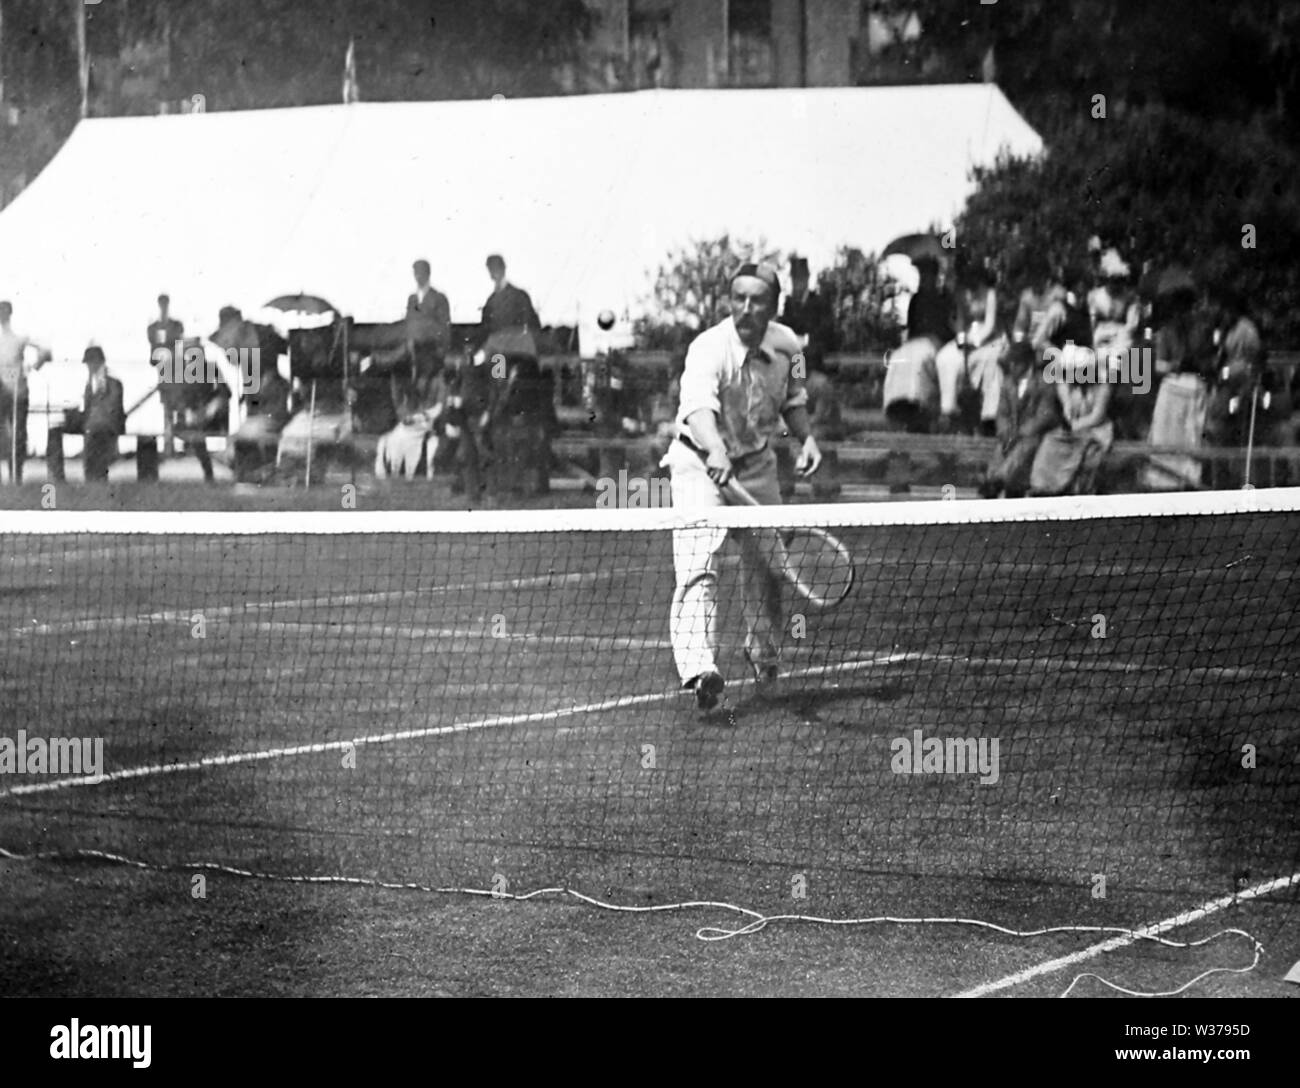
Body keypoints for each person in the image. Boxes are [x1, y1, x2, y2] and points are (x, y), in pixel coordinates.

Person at [659, 261, 821, 712]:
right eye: (738, 299)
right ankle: (700, 670)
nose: (746, 309)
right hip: (698, 463)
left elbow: (794, 399)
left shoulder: (789, 346)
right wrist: (715, 450)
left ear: (774, 306)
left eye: (758, 301)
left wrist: (806, 438)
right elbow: (697, 410)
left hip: (755, 465)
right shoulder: (707, 348)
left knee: (769, 566)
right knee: (698, 565)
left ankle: (764, 654)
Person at [476, 255, 549, 495]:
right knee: (499, 386)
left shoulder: (519, 296)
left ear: (503, 269)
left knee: (519, 401)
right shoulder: (491, 301)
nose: (493, 273)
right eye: (490, 270)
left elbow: (533, 324)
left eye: (496, 269)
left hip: (521, 359)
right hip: (500, 358)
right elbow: (485, 330)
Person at [1142, 270, 1215, 490]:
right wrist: (1176, 365)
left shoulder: (1202, 330)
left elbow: (1209, 362)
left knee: (1191, 439)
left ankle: (1189, 482)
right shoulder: (1166, 331)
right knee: (1166, 442)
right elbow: (1157, 366)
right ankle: (1164, 482)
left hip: (1194, 389)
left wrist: (1196, 364)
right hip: (1173, 388)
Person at [779, 256, 842, 497]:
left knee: (820, 411)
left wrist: (805, 342)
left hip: (816, 369)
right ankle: (783, 486)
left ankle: (825, 485)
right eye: (794, 278)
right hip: (796, 372)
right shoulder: (788, 306)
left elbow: (825, 337)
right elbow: (784, 339)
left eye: (801, 278)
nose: (798, 283)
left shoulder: (819, 304)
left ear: (807, 278)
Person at [980, 340, 1063, 498]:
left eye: (1015, 363)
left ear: (1027, 363)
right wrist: (1005, 431)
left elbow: (1045, 414)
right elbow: (1002, 413)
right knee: (1002, 447)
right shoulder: (1008, 382)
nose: (1011, 367)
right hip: (1013, 433)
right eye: (1010, 363)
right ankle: (991, 479)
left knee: (1024, 447)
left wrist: (1022, 432)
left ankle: (998, 480)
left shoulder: (1044, 382)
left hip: (1036, 435)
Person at [882, 255, 954, 433]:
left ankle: (916, 401)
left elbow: (948, 330)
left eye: (928, 275)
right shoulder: (916, 300)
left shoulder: (944, 298)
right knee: (899, 357)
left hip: (935, 343)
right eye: (922, 275)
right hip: (916, 343)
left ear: (935, 277)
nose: (925, 279)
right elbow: (912, 329)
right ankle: (899, 403)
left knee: (919, 358)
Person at [934, 269, 1005, 435]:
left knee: (992, 361)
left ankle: (990, 416)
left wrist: (976, 340)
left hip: (990, 339)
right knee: (946, 357)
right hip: (967, 337)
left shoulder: (990, 294)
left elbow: (990, 325)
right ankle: (949, 408)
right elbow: (959, 320)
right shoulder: (961, 294)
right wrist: (961, 336)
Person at [0, 301, 52, 483]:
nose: (2, 316)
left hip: (18, 392)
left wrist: (33, 366)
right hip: (2, 392)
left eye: (4, 312)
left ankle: (17, 475)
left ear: (10, 314)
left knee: (19, 433)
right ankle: (8, 476)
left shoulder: (19, 338)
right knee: (3, 433)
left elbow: (46, 350)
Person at [141, 293, 185, 479]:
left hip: (177, 369)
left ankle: (179, 443)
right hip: (165, 371)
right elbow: (155, 350)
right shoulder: (155, 327)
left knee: (179, 408)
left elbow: (178, 344)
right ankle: (170, 446)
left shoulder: (174, 325)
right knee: (167, 409)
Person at [69, 346, 125, 483]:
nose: (88, 367)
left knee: (94, 449)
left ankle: (95, 476)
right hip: (97, 426)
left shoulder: (110, 382)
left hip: (105, 425)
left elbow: (112, 407)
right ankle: (94, 476)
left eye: (90, 363)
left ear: (97, 362)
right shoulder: (92, 383)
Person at [405, 259, 451, 406]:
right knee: (415, 384)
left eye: (421, 272)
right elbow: (409, 323)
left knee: (429, 386)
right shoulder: (412, 299)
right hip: (415, 350)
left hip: (432, 349)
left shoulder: (438, 298)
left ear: (428, 274)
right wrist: (409, 342)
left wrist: (442, 349)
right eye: (416, 272)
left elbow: (444, 326)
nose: (418, 276)